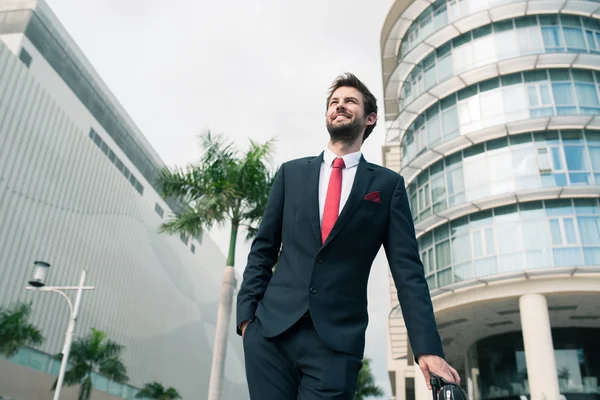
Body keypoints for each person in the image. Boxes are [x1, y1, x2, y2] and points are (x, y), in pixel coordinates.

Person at [236, 72, 460, 399]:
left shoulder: (386, 186)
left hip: (336, 344)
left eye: (349, 101)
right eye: (334, 102)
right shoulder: (291, 174)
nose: (339, 106)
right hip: (270, 335)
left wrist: (427, 348)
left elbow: (408, 272)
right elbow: (263, 251)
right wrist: (246, 320)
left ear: (369, 118)